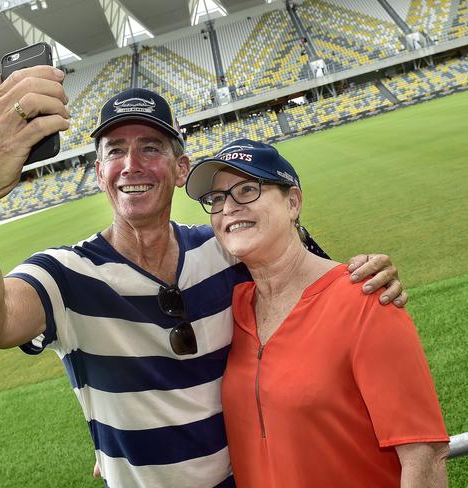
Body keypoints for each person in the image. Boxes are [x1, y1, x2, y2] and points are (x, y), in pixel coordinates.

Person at [0, 67, 406, 487]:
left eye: (151, 148)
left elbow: (316, 285)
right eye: (115, 150)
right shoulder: (65, 276)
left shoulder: (226, 247)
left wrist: (364, 273)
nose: (131, 165)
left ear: (181, 169)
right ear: (99, 172)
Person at [185, 139, 449, 487]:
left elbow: (424, 458)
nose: (229, 208)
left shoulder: (365, 299)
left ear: (292, 202)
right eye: (217, 199)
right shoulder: (231, 308)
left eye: (247, 189)